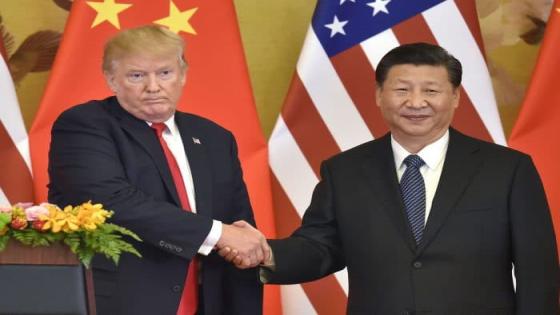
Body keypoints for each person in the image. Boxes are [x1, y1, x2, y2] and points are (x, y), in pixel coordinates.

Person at [226, 42, 560, 314]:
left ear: (455, 97)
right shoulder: (344, 171)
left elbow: (538, 271)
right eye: (401, 89)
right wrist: (266, 253)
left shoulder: (508, 169)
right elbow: (320, 248)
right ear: (379, 96)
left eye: (431, 90)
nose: (416, 102)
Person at [48, 25, 269, 315]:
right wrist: (219, 234)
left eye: (164, 73)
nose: (153, 87)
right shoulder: (84, 125)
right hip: (121, 303)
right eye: (137, 75)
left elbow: (238, 227)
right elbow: (111, 201)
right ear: (112, 80)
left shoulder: (215, 137)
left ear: (183, 74)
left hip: (208, 302)